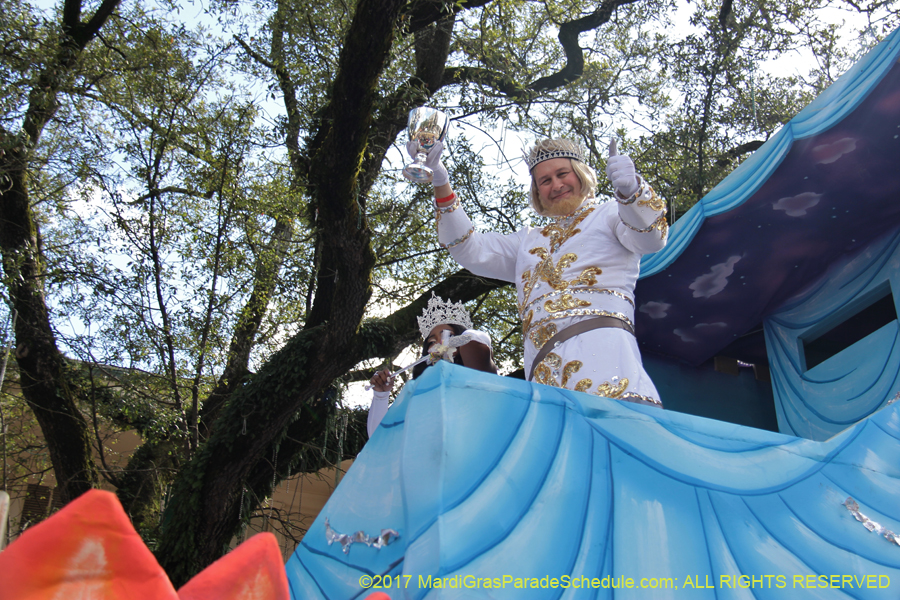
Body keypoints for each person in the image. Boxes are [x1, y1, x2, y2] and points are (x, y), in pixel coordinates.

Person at [408, 137, 667, 407]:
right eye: (545, 181)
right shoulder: (528, 242)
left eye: (562, 174)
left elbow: (652, 239)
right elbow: (467, 248)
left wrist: (632, 193)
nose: (556, 185)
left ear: (580, 174)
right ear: (537, 191)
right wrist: (440, 181)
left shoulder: (611, 214)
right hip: (544, 381)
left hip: (606, 364)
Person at [367, 294, 498, 436]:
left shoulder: (477, 368)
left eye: (447, 336)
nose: (438, 344)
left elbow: (475, 342)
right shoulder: (419, 395)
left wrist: (464, 339)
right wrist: (381, 395)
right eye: (431, 342)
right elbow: (379, 439)